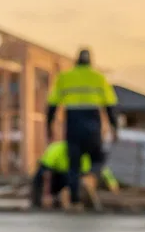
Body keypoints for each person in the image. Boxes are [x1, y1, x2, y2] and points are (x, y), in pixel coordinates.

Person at [45, 50, 119, 208]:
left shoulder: (65, 78)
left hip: (73, 123)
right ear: (90, 62)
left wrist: (49, 127)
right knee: (98, 159)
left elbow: (52, 105)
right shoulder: (98, 77)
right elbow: (110, 106)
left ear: (76, 61)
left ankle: (75, 201)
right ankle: (89, 177)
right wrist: (114, 127)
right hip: (92, 122)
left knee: (74, 166)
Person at [29, 140, 117, 209]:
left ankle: (77, 201)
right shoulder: (56, 149)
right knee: (39, 176)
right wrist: (46, 195)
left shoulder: (85, 155)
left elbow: (103, 170)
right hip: (54, 176)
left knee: (82, 180)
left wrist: (112, 184)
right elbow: (46, 175)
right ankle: (37, 201)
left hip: (70, 177)